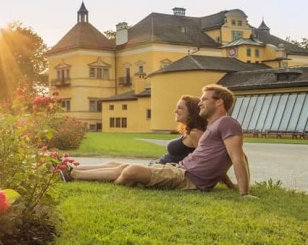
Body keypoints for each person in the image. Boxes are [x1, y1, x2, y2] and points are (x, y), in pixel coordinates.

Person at [63, 84, 251, 196]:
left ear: (219, 102)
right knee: (124, 168)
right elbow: (226, 157)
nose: (200, 102)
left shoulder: (227, 123)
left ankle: (72, 174)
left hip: (188, 177)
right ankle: (70, 170)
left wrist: (244, 192)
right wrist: (230, 185)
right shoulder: (214, 127)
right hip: (178, 170)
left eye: (205, 99)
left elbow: (238, 158)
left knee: (131, 170)